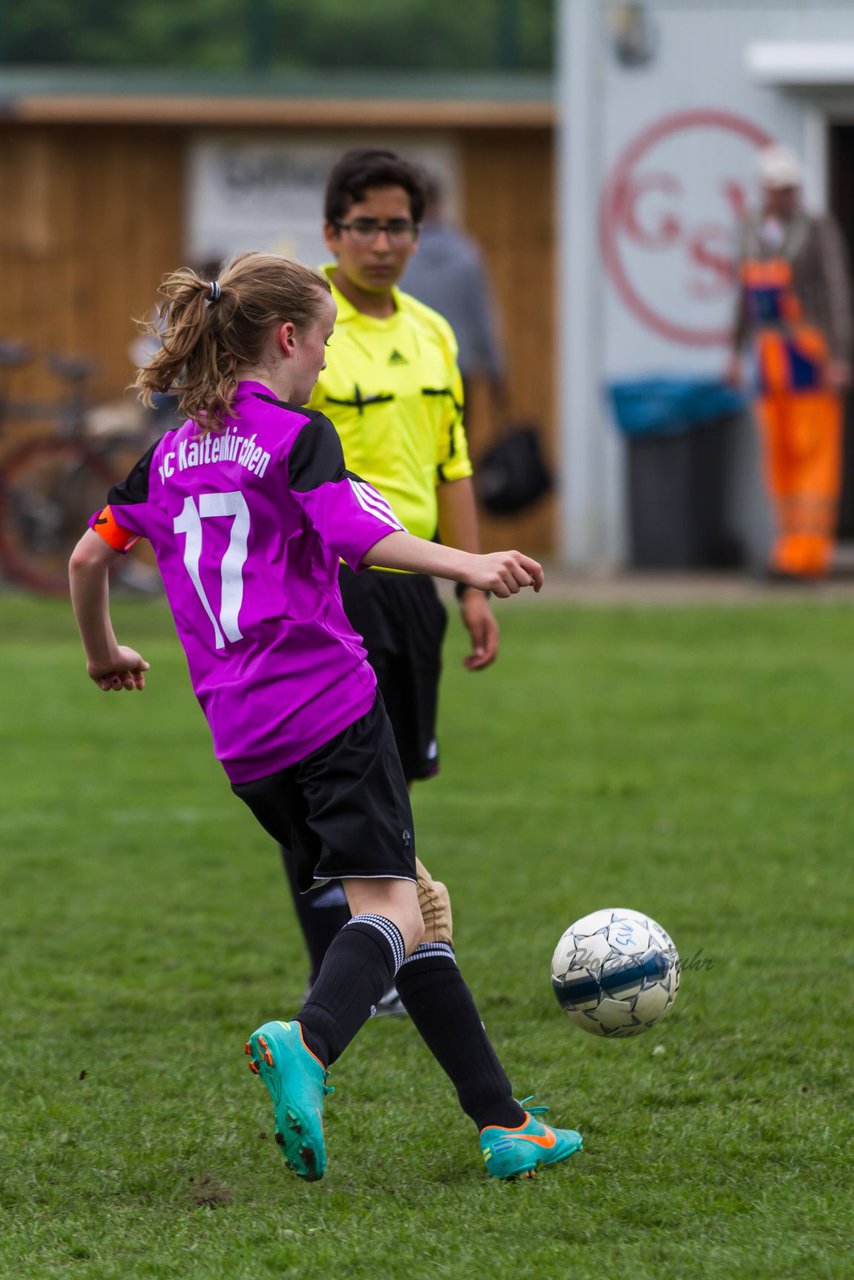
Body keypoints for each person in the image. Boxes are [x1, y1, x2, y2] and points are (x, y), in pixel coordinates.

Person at [68, 252, 582, 1183]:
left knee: (415, 906)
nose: (326, 363)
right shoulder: (293, 436)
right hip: (329, 710)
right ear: (290, 337)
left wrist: (104, 652)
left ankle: (504, 1123)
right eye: (326, 343)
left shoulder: (167, 454)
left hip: (244, 740)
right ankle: (309, 1040)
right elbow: (353, 535)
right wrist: (467, 565)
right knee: (388, 907)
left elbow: (84, 560)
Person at [276, 149, 503, 1009]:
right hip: (326, 582)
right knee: (323, 784)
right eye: (363, 225)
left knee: (393, 777)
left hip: (415, 579)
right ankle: (337, 965)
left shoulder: (435, 332)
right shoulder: (302, 332)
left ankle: (382, 958)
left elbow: (455, 463)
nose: (382, 241)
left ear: (419, 232)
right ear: (333, 232)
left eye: (397, 225)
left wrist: (471, 586)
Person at [725, 143, 853, 580]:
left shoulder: (816, 228)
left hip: (808, 353)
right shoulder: (750, 228)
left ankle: (810, 553)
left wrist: (840, 356)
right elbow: (743, 297)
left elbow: (836, 292)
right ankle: (787, 550)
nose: (784, 196)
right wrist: (735, 352)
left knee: (812, 451)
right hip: (769, 356)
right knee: (778, 456)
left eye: (790, 188)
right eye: (777, 188)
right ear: (764, 189)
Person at [400, 171, 507, 417]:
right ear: (440, 205)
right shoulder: (466, 253)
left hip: (405, 368)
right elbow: (482, 319)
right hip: (457, 370)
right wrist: (496, 373)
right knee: (453, 443)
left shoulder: (394, 256)